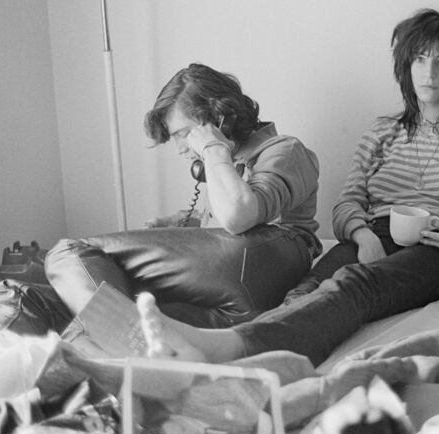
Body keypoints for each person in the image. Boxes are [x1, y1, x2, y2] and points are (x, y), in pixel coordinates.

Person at [135, 9, 439, 367]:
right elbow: (346, 204)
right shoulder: (382, 132)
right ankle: (259, 361)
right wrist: (361, 235)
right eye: (420, 58)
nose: (430, 72)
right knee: (302, 291)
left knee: (353, 285)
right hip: (373, 234)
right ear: (405, 65)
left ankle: (233, 348)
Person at [44, 63, 322, 328]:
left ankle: (120, 334)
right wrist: (179, 224)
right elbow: (220, 220)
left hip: (269, 264)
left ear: (221, 120)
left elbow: (239, 217)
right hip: (234, 303)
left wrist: (213, 148)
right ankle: (126, 341)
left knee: (70, 254)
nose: (179, 148)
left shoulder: (285, 151)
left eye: (184, 133)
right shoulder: (223, 166)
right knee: (42, 301)